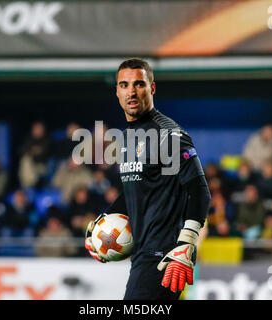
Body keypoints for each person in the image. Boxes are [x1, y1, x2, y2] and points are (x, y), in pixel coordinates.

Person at [84, 58, 211, 300]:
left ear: (152, 88)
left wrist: (187, 243)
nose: (131, 91)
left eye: (139, 84)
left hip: (165, 255)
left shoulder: (168, 134)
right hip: (144, 254)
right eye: (124, 85)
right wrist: (103, 225)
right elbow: (135, 192)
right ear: (117, 92)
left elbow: (199, 190)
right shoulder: (127, 137)